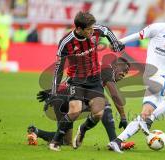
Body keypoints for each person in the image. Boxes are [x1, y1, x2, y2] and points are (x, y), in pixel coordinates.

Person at [108, 9, 165, 153]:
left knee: (144, 115)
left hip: (163, 77)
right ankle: (150, 119)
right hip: (154, 75)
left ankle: (117, 141)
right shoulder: (158, 28)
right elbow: (138, 35)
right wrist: (119, 41)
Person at [49, 11, 125, 151]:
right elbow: (59, 68)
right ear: (78, 28)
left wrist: (115, 43)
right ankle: (55, 142)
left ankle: (82, 130)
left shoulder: (95, 30)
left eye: (92, 28)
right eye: (88, 29)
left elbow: (106, 30)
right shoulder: (66, 42)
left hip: (95, 80)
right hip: (76, 81)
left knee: (98, 114)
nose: (92, 31)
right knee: (75, 111)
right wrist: (53, 92)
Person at [27, 57, 135, 150]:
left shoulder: (98, 70)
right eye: (124, 70)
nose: (124, 74)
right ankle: (114, 141)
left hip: (59, 100)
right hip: (66, 98)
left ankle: (36, 132)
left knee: (66, 140)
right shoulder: (107, 69)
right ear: (115, 66)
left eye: (127, 72)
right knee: (104, 105)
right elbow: (115, 95)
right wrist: (123, 117)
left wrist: (52, 91)